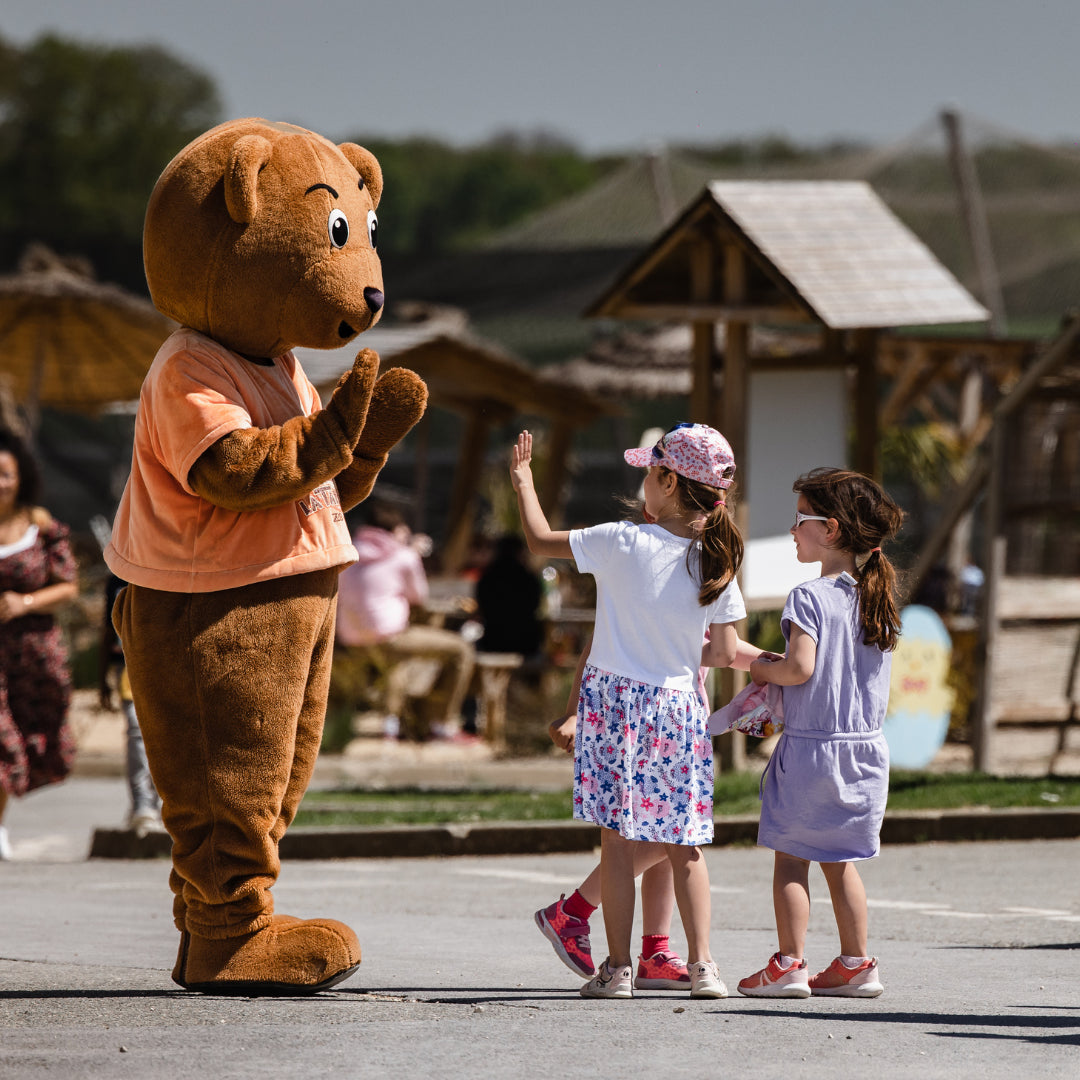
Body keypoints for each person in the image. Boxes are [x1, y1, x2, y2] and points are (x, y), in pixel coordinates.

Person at [511, 422, 748, 999]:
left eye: (649, 471)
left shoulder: (620, 541)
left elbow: (541, 540)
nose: (643, 480)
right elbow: (722, 651)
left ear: (667, 480)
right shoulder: (715, 562)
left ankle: (618, 970)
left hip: (615, 706)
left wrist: (522, 480)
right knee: (685, 843)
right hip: (680, 709)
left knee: (617, 842)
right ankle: (704, 969)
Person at [736, 467, 903, 1000]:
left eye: (799, 519)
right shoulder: (876, 600)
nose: (792, 529)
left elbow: (799, 669)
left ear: (829, 530)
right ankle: (857, 964)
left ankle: (789, 965)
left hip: (811, 750)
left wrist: (760, 667)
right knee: (841, 860)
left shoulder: (808, 597)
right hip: (864, 753)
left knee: (791, 857)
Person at [0, 428, 79, 860]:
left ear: (20, 476)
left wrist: (24, 601)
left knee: (25, 737)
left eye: (5, 474)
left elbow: (67, 586)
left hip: (34, 653)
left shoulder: (41, 525)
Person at [335, 497, 475, 740]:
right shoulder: (403, 556)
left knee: (396, 660)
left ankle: (393, 723)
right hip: (389, 637)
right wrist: (413, 554)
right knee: (460, 651)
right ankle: (441, 723)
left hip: (349, 638)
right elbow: (419, 597)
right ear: (397, 530)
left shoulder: (348, 551)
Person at [100, 572, 162, 837]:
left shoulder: (171, 565)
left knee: (166, 736)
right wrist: (101, 676)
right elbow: (106, 627)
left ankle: (163, 805)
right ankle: (142, 805)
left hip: (166, 663)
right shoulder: (117, 577)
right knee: (137, 732)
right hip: (127, 665)